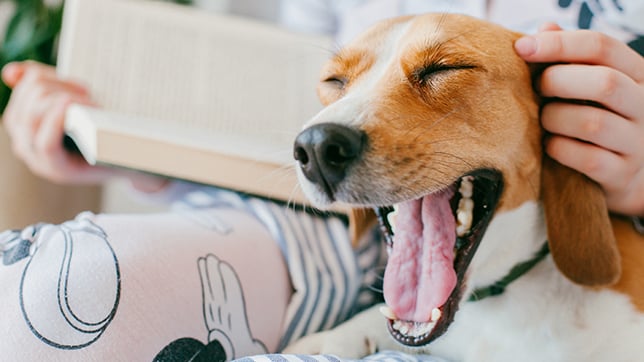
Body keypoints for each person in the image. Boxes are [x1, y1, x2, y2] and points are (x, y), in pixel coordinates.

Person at [0, 1, 642, 362]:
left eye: (443, 68)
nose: (333, 119)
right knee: (53, 286)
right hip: (321, 227)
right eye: (337, 84)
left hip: (601, 220)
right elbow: (267, 122)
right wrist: (116, 136)